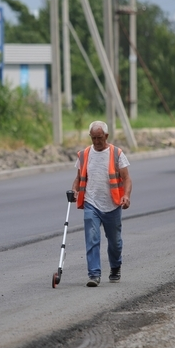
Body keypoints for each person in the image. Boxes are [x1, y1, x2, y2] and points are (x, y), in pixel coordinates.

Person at [70, 121, 132, 287]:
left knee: (115, 242)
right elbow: (78, 178)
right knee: (92, 238)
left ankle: (115, 266)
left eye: (100, 138)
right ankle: (94, 274)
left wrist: (126, 196)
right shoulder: (84, 155)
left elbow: (126, 179)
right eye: (93, 138)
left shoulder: (117, 153)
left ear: (106, 136)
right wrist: (75, 190)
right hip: (91, 203)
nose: (97, 141)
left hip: (113, 204)